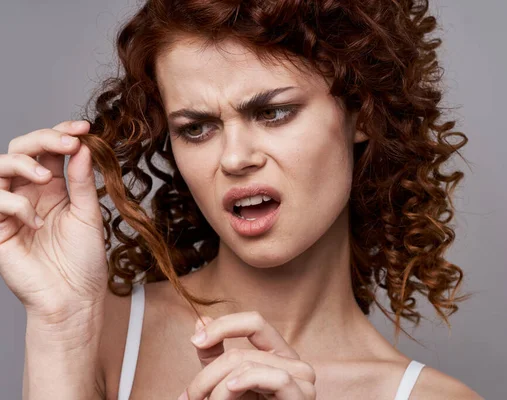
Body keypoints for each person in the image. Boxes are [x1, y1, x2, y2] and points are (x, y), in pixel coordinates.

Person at [0, 0, 482, 399]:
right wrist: (60, 323)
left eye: (273, 112)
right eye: (197, 128)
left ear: (362, 114)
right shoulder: (99, 335)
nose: (233, 158)